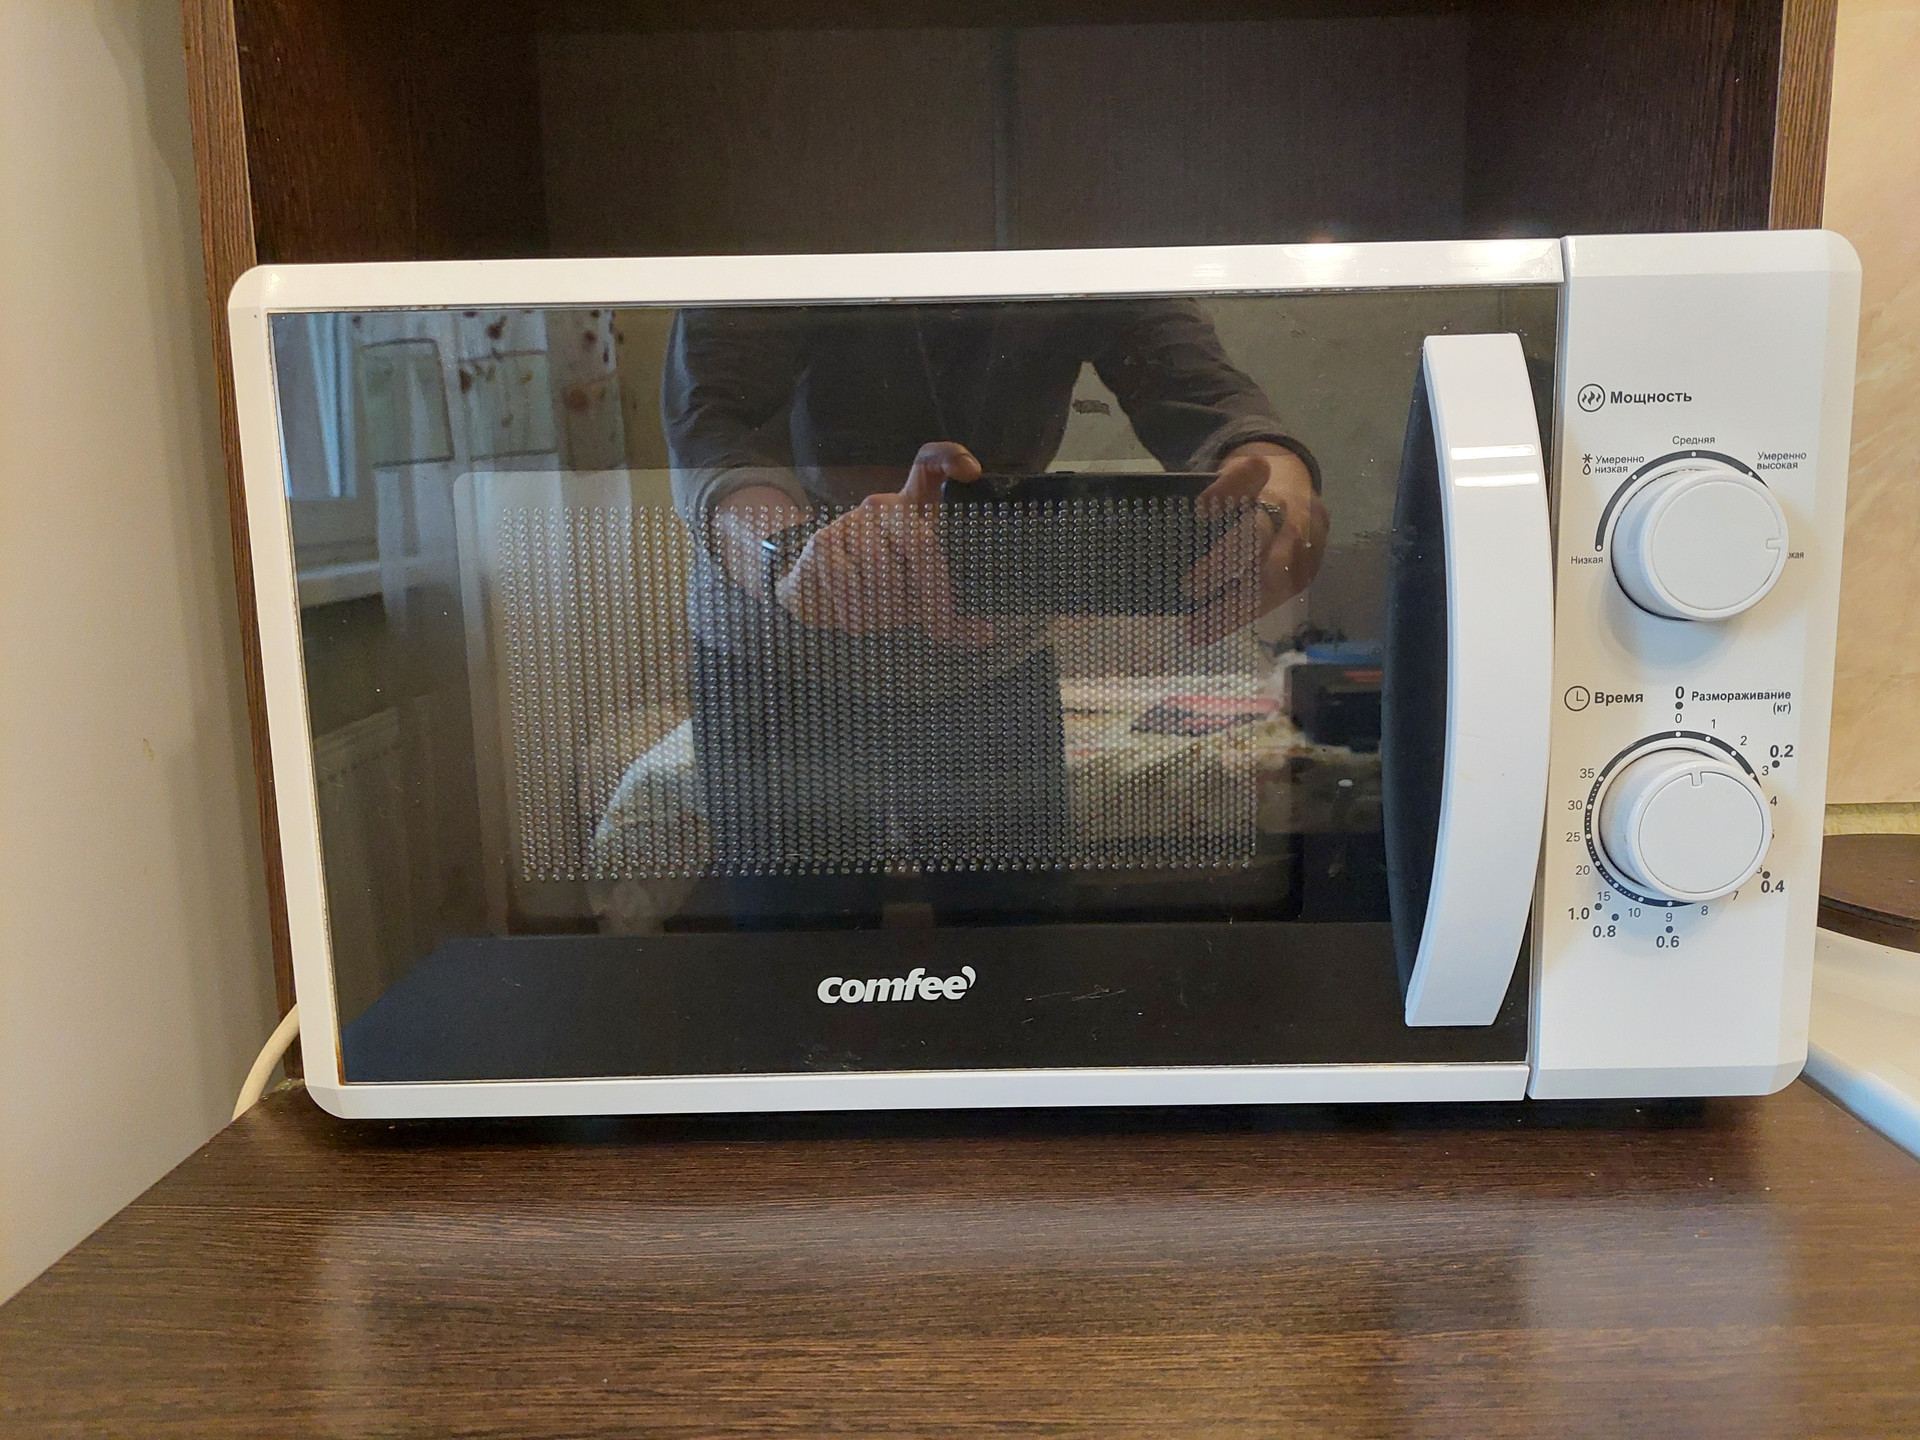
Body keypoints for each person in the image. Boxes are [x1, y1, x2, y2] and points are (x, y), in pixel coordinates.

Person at [662, 298, 1328, 921]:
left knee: (1003, 944)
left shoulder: (1078, 231)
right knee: (820, 948)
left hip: (977, 641)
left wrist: (1281, 490)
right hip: (786, 655)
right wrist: (783, 556)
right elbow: (715, 417)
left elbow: (1192, 374)